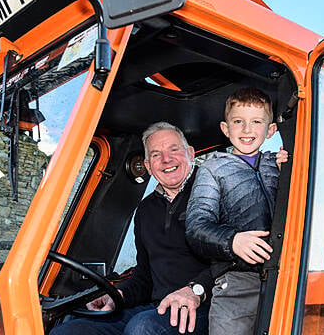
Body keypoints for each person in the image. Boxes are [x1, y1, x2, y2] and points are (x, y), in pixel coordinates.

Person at [51, 122, 212, 335]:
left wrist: (195, 290)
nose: (166, 160)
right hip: (159, 307)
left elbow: (232, 262)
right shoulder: (146, 210)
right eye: (156, 155)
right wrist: (117, 295)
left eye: (174, 149)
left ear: (190, 154)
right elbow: (144, 275)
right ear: (147, 165)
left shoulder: (213, 191)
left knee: (142, 328)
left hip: (204, 305)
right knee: (71, 329)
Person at [186, 87, 288, 335]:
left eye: (256, 121)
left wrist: (289, 169)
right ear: (225, 128)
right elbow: (196, 227)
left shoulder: (279, 164)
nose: (246, 129)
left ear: (270, 129)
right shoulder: (213, 169)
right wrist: (232, 241)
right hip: (237, 282)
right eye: (238, 121)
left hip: (284, 278)